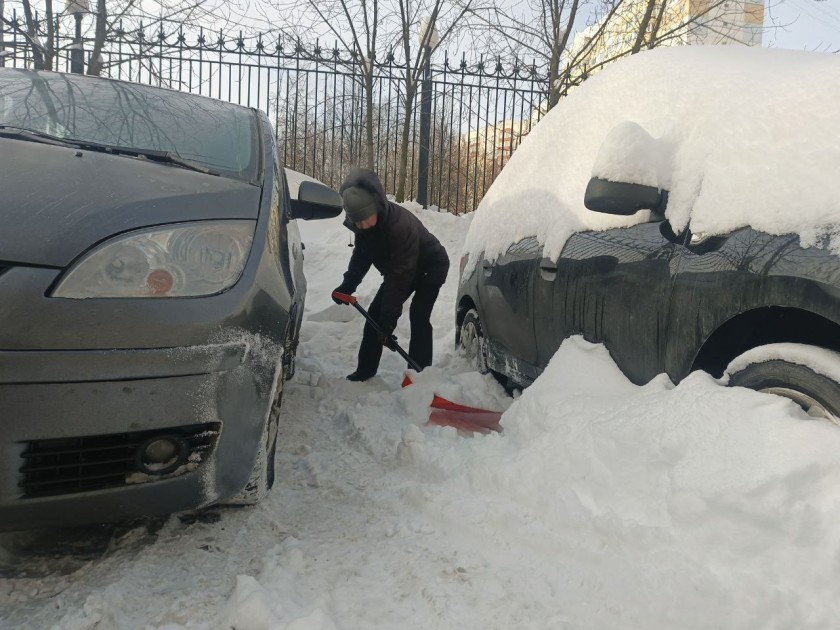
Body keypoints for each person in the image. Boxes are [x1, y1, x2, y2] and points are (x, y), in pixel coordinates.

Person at [332, 167, 449, 382]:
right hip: (403, 269)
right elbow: (361, 258)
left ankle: (419, 375)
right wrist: (347, 286)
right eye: (358, 222)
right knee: (374, 317)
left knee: (419, 315)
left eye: (366, 219)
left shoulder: (398, 226)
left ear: (376, 207)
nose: (363, 226)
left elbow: (400, 277)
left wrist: (389, 321)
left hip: (431, 266)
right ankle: (365, 369)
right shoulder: (365, 230)